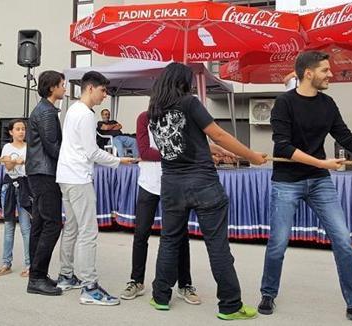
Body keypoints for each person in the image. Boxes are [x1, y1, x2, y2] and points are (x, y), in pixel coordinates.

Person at [260, 51, 352, 325]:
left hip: (319, 182)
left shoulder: (328, 104)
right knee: (278, 243)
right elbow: (283, 146)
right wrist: (321, 163)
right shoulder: (284, 103)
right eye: (325, 70)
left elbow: (349, 140)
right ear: (308, 73)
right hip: (287, 181)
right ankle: (268, 292)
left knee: (343, 241)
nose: (331, 74)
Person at [147, 62, 266, 319]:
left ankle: (160, 297)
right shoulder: (189, 103)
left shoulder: (153, 110)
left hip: (172, 185)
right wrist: (251, 156)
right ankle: (230, 305)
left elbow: (180, 141)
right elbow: (218, 134)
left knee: (169, 241)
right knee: (217, 246)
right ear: (182, 81)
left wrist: (214, 151)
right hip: (202, 183)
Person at [56, 70, 137, 306]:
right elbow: (91, 152)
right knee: (88, 232)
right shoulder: (85, 115)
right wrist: (118, 161)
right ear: (90, 88)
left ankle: (66, 275)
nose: (105, 95)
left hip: (67, 176)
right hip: (78, 178)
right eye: (103, 90)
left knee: (71, 228)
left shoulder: (73, 110)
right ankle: (89, 287)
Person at [120, 110, 199, 305]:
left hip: (173, 182)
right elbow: (145, 151)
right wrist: (175, 153)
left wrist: (177, 152)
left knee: (181, 235)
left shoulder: (179, 117)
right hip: (148, 183)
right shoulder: (144, 118)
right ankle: (136, 281)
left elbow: (188, 146)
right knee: (141, 234)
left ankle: (185, 284)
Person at [26, 70, 66, 296]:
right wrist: (72, 161)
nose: (65, 88)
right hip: (45, 173)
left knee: (40, 225)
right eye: (62, 84)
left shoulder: (45, 109)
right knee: (52, 224)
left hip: (39, 172)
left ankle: (37, 274)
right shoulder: (47, 112)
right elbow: (52, 146)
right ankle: (37, 276)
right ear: (52, 87)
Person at [0, 119, 31, 277]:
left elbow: (31, 165)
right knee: (9, 226)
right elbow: (8, 166)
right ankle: (6, 262)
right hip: (9, 187)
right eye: (17, 129)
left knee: (26, 228)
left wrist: (22, 162)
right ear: (11, 132)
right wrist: (14, 161)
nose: (21, 132)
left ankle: (29, 264)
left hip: (24, 186)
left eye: (23, 129)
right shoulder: (7, 147)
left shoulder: (29, 148)